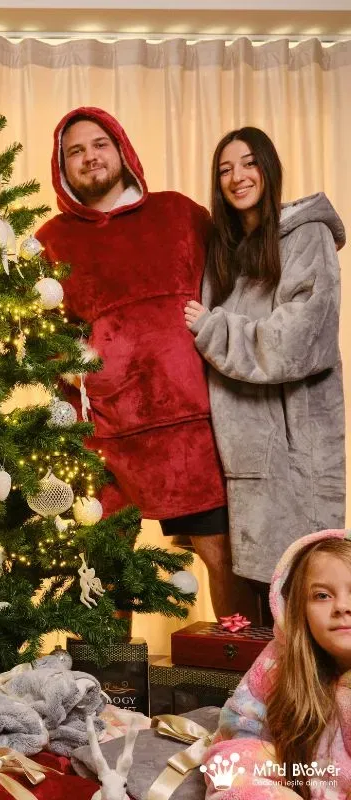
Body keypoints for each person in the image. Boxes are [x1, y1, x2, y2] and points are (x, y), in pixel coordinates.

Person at [36, 107, 254, 620]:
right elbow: (41, 336)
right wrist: (77, 373)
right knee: (103, 567)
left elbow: (236, 289)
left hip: (191, 429)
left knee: (223, 559)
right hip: (103, 435)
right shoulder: (50, 241)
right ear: (62, 167)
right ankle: (107, 671)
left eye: (99, 145)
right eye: (76, 151)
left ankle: (240, 664)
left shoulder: (180, 214)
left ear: (122, 150)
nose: (90, 157)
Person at [185, 127, 345, 622]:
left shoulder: (308, 236)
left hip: (295, 457)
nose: (237, 177)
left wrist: (214, 329)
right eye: (225, 169)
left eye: (249, 163)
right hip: (234, 457)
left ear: (269, 168)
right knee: (245, 611)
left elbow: (297, 342)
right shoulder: (224, 252)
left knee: (299, 597)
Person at [201, 530, 351, 799]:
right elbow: (239, 745)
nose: (341, 606)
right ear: (299, 608)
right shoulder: (278, 664)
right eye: (321, 596)